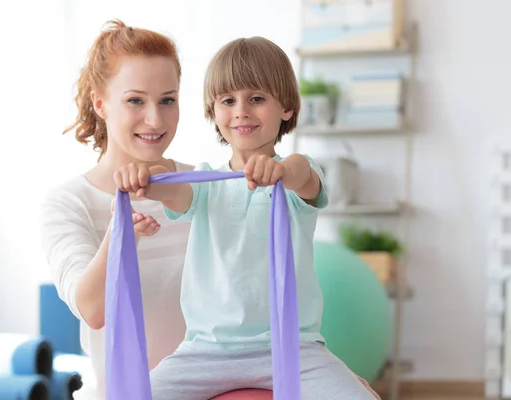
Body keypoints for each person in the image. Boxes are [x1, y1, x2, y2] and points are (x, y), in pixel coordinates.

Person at [114, 36, 379, 399]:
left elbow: (302, 174)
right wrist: (144, 177)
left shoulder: (295, 172)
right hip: (204, 353)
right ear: (214, 112)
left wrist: (279, 172)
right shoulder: (207, 181)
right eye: (228, 100)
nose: (241, 111)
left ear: (286, 108)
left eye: (256, 98)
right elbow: (170, 187)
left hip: (292, 350)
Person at [40, 20, 193, 399]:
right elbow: (92, 308)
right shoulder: (69, 202)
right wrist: (122, 232)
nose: (155, 120)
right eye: (135, 100)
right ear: (100, 103)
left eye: (167, 100)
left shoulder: (202, 186)